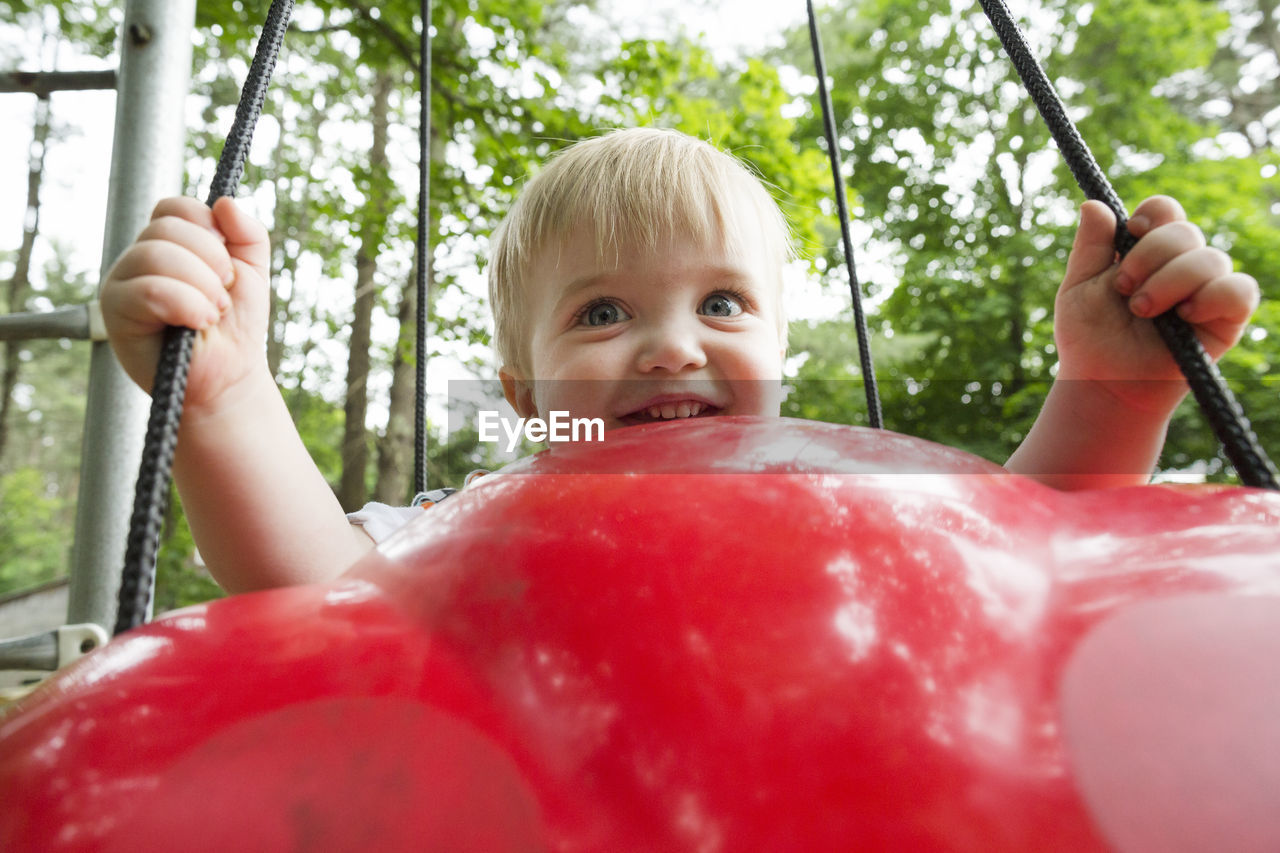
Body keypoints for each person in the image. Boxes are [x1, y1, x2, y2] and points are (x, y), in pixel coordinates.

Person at [100, 128, 1260, 593]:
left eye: (720, 301)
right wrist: (230, 399)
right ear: (523, 397)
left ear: (777, 357)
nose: (669, 344)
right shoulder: (469, 524)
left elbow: (1021, 552)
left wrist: (1114, 387)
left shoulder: (848, 495)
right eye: (600, 315)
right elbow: (317, 589)